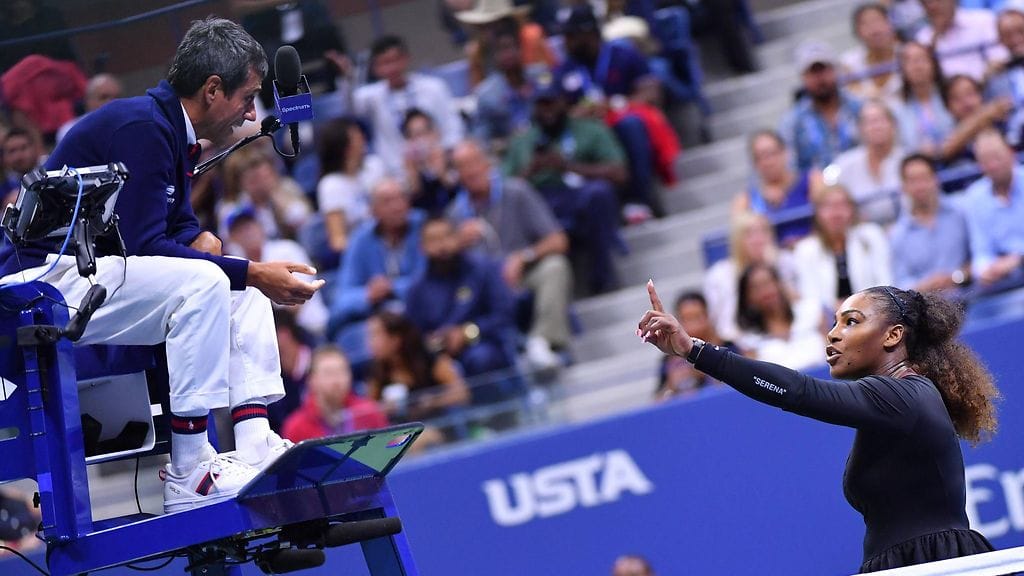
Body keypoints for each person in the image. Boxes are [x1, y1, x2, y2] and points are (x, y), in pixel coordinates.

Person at [0, 18, 325, 513]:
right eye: (248, 97)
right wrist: (251, 268)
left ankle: (257, 446)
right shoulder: (143, 127)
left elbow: (170, 233)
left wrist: (205, 241)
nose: (251, 112)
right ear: (213, 90)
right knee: (212, 283)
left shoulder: (170, 131)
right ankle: (190, 468)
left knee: (238, 289)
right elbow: (146, 248)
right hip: (40, 282)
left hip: (88, 275)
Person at [639, 280, 1000, 573]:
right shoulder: (896, 400)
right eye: (834, 322)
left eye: (851, 322)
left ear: (892, 336)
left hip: (936, 567)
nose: (833, 334)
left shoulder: (904, 396)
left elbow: (798, 391)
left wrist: (695, 351)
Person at [448, 140, 572, 374]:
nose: (471, 170)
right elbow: (449, 270)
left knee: (555, 266)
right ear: (457, 175)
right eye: (462, 166)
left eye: (474, 162)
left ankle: (543, 342)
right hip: (482, 291)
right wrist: (457, 246)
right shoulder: (455, 214)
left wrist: (523, 257)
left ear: (487, 164)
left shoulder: (516, 191)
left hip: (522, 275)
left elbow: (558, 240)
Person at [502, 75, 625, 294]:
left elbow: (619, 172)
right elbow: (503, 192)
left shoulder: (588, 129)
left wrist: (567, 166)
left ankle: (602, 278)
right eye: (541, 104)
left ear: (563, 102)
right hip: (539, 202)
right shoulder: (521, 142)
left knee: (599, 193)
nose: (547, 110)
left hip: (577, 195)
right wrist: (531, 169)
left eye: (551, 102)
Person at [405, 217, 518, 397]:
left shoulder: (483, 269)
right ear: (422, 247)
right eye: (433, 240)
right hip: (439, 358)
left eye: (447, 236)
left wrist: (467, 332)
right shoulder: (416, 290)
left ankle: (493, 418)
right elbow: (413, 336)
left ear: (458, 238)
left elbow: (504, 314)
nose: (442, 245)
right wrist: (435, 344)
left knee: (480, 358)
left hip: (485, 344)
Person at [352, 35, 465, 177]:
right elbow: (351, 109)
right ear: (375, 68)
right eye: (385, 63)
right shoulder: (370, 97)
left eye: (395, 60)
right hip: (398, 174)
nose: (392, 68)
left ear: (406, 58)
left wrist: (444, 156)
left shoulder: (434, 87)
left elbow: (453, 128)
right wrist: (346, 78)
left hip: (443, 165)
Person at [793, 185, 892, 314]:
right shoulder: (805, 250)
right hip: (829, 318)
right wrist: (837, 308)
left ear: (852, 209)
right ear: (817, 213)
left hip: (873, 312)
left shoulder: (870, 235)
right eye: (828, 206)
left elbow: (885, 280)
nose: (836, 212)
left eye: (842, 205)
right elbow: (810, 296)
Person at [703, 212, 798, 342]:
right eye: (749, 234)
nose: (759, 239)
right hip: (741, 341)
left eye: (763, 231)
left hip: (792, 334)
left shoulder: (785, 261)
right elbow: (722, 325)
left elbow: (800, 305)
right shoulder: (720, 275)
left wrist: (773, 270)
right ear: (737, 240)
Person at [889, 153, 970, 292]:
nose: (920, 186)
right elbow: (901, 282)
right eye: (913, 180)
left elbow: (980, 257)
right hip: (925, 307)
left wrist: (956, 277)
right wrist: (927, 285)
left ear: (935, 179)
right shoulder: (898, 234)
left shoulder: (961, 212)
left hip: (970, 296)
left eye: (924, 178)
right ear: (903, 187)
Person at [779, 40, 863, 171]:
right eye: (813, 72)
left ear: (835, 71)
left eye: (824, 70)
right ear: (803, 78)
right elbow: (789, 168)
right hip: (816, 188)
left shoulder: (859, 108)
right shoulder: (792, 122)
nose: (820, 78)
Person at [281, 344, 389, 443]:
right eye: (329, 373)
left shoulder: (369, 412)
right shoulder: (296, 427)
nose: (337, 380)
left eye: (342, 371)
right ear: (311, 380)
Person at [732, 129, 821, 248]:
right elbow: (740, 244)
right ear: (754, 164)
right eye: (760, 157)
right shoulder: (745, 201)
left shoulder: (813, 180)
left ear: (786, 153)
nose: (768, 162)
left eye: (771, 153)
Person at [958, 129, 1024, 289]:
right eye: (986, 160)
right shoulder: (974, 197)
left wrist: (1018, 259)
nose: (993, 165)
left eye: (997, 157)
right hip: (1002, 280)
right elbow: (981, 250)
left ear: (1011, 153)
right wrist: (985, 270)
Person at [734, 263, 826, 370]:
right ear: (747, 298)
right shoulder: (749, 341)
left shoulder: (812, 312)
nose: (765, 291)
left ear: (779, 284)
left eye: (767, 283)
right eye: (756, 288)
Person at [315, 117, 386, 257]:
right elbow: (338, 240)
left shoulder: (375, 165)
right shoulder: (330, 185)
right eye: (358, 137)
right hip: (363, 252)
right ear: (346, 148)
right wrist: (370, 248)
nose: (363, 139)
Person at [831, 100, 905, 225]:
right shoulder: (843, 164)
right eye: (869, 122)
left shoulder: (908, 160)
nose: (876, 126)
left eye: (881, 120)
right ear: (860, 128)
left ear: (893, 125)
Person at [655, 291, 737, 401]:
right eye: (686, 319)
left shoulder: (727, 349)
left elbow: (740, 384)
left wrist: (706, 370)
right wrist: (671, 387)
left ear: (708, 317)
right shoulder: (670, 360)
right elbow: (658, 402)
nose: (693, 325)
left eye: (697, 317)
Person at [915, 0, 1006, 81]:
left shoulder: (983, 21)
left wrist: (974, 86)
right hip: (947, 96)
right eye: (925, 2)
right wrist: (934, 41)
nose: (932, 6)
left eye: (938, 0)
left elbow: (999, 58)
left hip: (987, 86)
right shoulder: (923, 38)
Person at [894, 41, 954, 157]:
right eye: (909, 61)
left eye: (921, 59)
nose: (916, 65)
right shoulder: (897, 108)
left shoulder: (951, 93)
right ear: (902, 70)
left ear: (933, 63)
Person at [840, 3, 902, 106]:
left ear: (890, 24)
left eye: (878, 20)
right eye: (865, 23)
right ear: (857, 31)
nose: (874, 30)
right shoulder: (848, 63)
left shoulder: (908, 54)